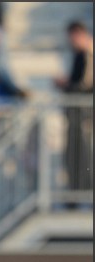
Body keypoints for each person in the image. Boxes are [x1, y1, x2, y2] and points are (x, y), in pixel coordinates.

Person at [54, 20, 93, 197]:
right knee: (73, 157)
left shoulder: (88, 55)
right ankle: (75, 194)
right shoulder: (80, 55)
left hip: (83, 117)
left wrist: (65, 84)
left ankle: (83, 193)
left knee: (82, 157)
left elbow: (85, 86)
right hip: (76, 116)